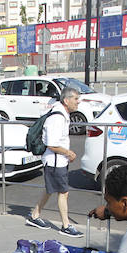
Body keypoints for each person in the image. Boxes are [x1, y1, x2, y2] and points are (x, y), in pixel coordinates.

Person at [25, 86, 83, 238]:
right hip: (55, 161)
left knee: (50, 189)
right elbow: (52, 144)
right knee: (63, 192)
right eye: (76, 99)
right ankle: (65, 225)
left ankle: (35, 215)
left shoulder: (61, 114)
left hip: (57, 161)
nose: (78, 102)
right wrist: (68, 152)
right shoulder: (57, 117)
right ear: (66, 100)